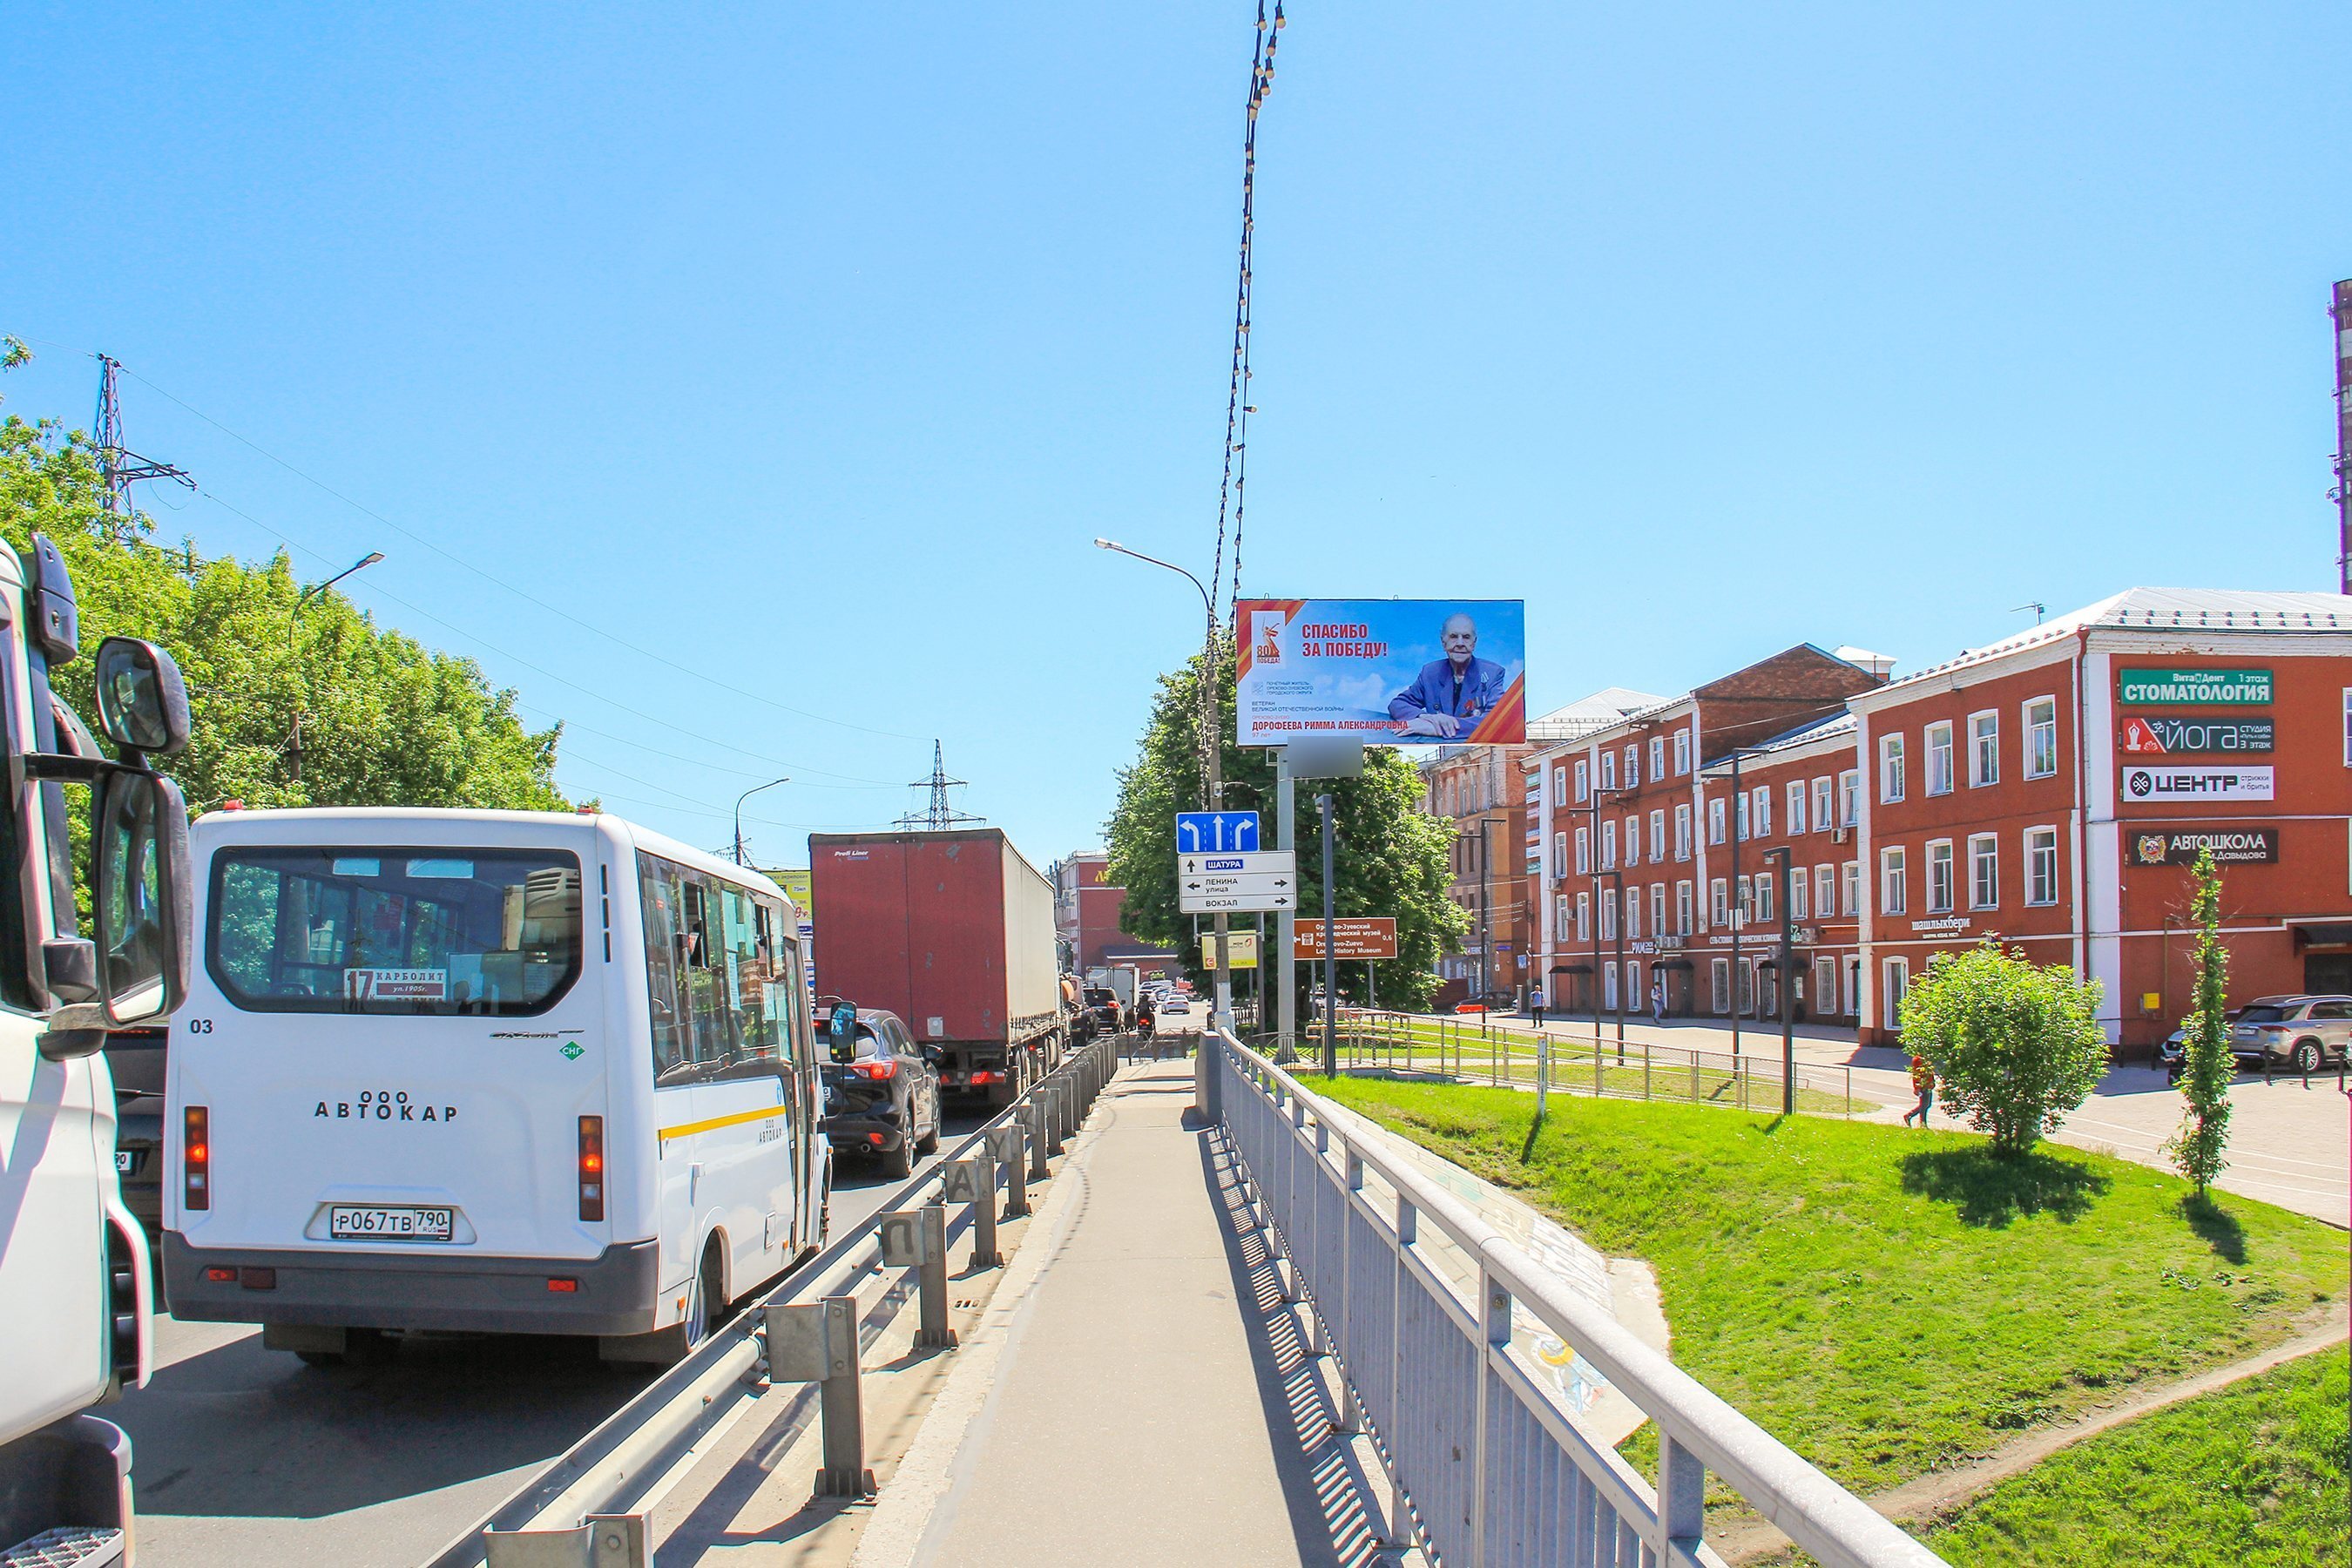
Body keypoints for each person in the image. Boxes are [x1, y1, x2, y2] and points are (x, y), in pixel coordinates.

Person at [1389, 613, 1508, 739]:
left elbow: (1497, 720)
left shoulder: (1492, 673)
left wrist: (1437, 729)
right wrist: (1427, 718)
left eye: (1466, 637)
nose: (1460, 643)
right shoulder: (1430, 672)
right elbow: (1398, 704)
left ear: (1474, 643)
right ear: (1443, 643)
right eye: (1453, 637)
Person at [1903, 1053, 1935, 1126]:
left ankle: (1910, 1116)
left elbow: (1930, 1072)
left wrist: (1932, 1082)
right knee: (1924, 1105)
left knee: (1927, 1104)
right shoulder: (1917, 1059)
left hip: (1928, 1084)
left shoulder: (1927, 1058)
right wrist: (1917, 1087)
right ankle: (1922, 1123)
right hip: (1922, 1085)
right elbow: (1916, 1074)